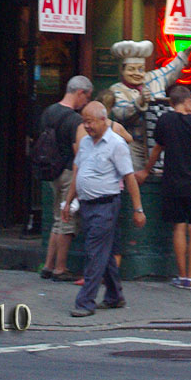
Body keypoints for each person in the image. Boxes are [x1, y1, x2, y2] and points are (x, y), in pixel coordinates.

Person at [64, 102, 146, 317]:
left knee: (95, 252)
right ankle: (114, 296)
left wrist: (138, 209)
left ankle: (85, 302)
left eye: (90, 122)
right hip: (87, 205)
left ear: (103, 120)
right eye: (84, 122)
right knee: (105, 252)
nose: (86, 126)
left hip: (106, 206)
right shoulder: (85, 143)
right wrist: (68, 201)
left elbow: (129, 177)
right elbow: (78, 173)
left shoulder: (117, 144)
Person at [143, 85, 191, 289]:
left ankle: (181, 276)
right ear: (188, 101)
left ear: (172, 103)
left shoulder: (165, 120)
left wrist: (146, 170)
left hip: (173, 181)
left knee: (178, 226)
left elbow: (157, 148)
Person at [104, 39, 191, 170]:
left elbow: (172, 69)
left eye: (140, 69)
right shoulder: (117, 89)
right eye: (131, 69)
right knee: (135, 174)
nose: (137, 73)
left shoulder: (153, 78)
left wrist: (188, 50)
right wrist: (139, 102)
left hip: (160, 142)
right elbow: (121, 112)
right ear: (122, 70)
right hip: (134, 143)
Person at [37, 75, 93, 282]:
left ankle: (48, 265)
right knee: (67, 219)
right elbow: (81, 152)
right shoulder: (75, 120)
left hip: (52, 171)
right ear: (80, 93)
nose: (86, 102)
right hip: (70, 171)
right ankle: (60, 268)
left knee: (57, 219)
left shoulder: (48, 112)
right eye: (87, 97)